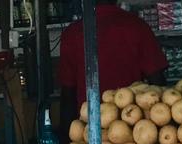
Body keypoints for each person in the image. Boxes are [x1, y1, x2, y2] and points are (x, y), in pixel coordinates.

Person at [56, 0, 167, 131]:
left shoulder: (72, 34)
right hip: (134, 126)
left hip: (89, 129)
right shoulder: (137, 26)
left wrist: (66, 138)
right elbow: (157, 82)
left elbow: (68, 95)